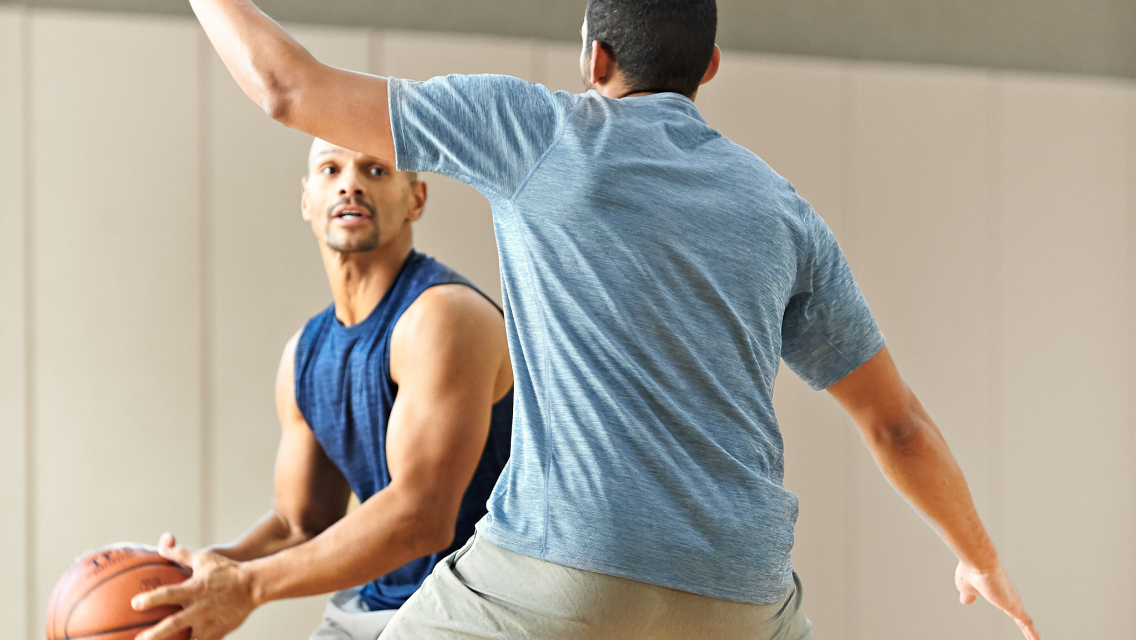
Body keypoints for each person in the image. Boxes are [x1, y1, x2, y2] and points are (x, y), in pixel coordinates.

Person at [135, 0, 1040, 639]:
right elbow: (897, 423)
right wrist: (979, 556)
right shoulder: (783, 212)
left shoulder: (536, 131)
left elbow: (285, 88)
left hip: (556, 576)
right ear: (709, 69)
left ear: (594, 58)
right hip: (741, 595)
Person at [134, 139, 514, 640]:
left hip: (486, 603)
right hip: (379, 605)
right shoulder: (304, 356)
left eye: (375, 170)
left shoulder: (442, 317)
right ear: (308, 199)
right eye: (330, 168)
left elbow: (423, 518)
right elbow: (299, 524)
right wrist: (203, 574)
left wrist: (247, 586)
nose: (350, 182)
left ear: (415, 200)